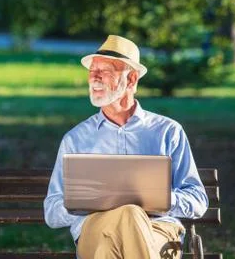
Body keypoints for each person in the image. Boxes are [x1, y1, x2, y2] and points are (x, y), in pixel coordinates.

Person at [44, 35, 209, 259]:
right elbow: (51, 211)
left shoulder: (167, 132)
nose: (94, 78)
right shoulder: (76, 138)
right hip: (96, 228)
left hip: (158, 231)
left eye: (105, 71)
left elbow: (198, 200)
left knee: (119, 233)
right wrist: (84, 200)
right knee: (126, 217)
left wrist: (158, 198)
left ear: (131, 80)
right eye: (92, 71)